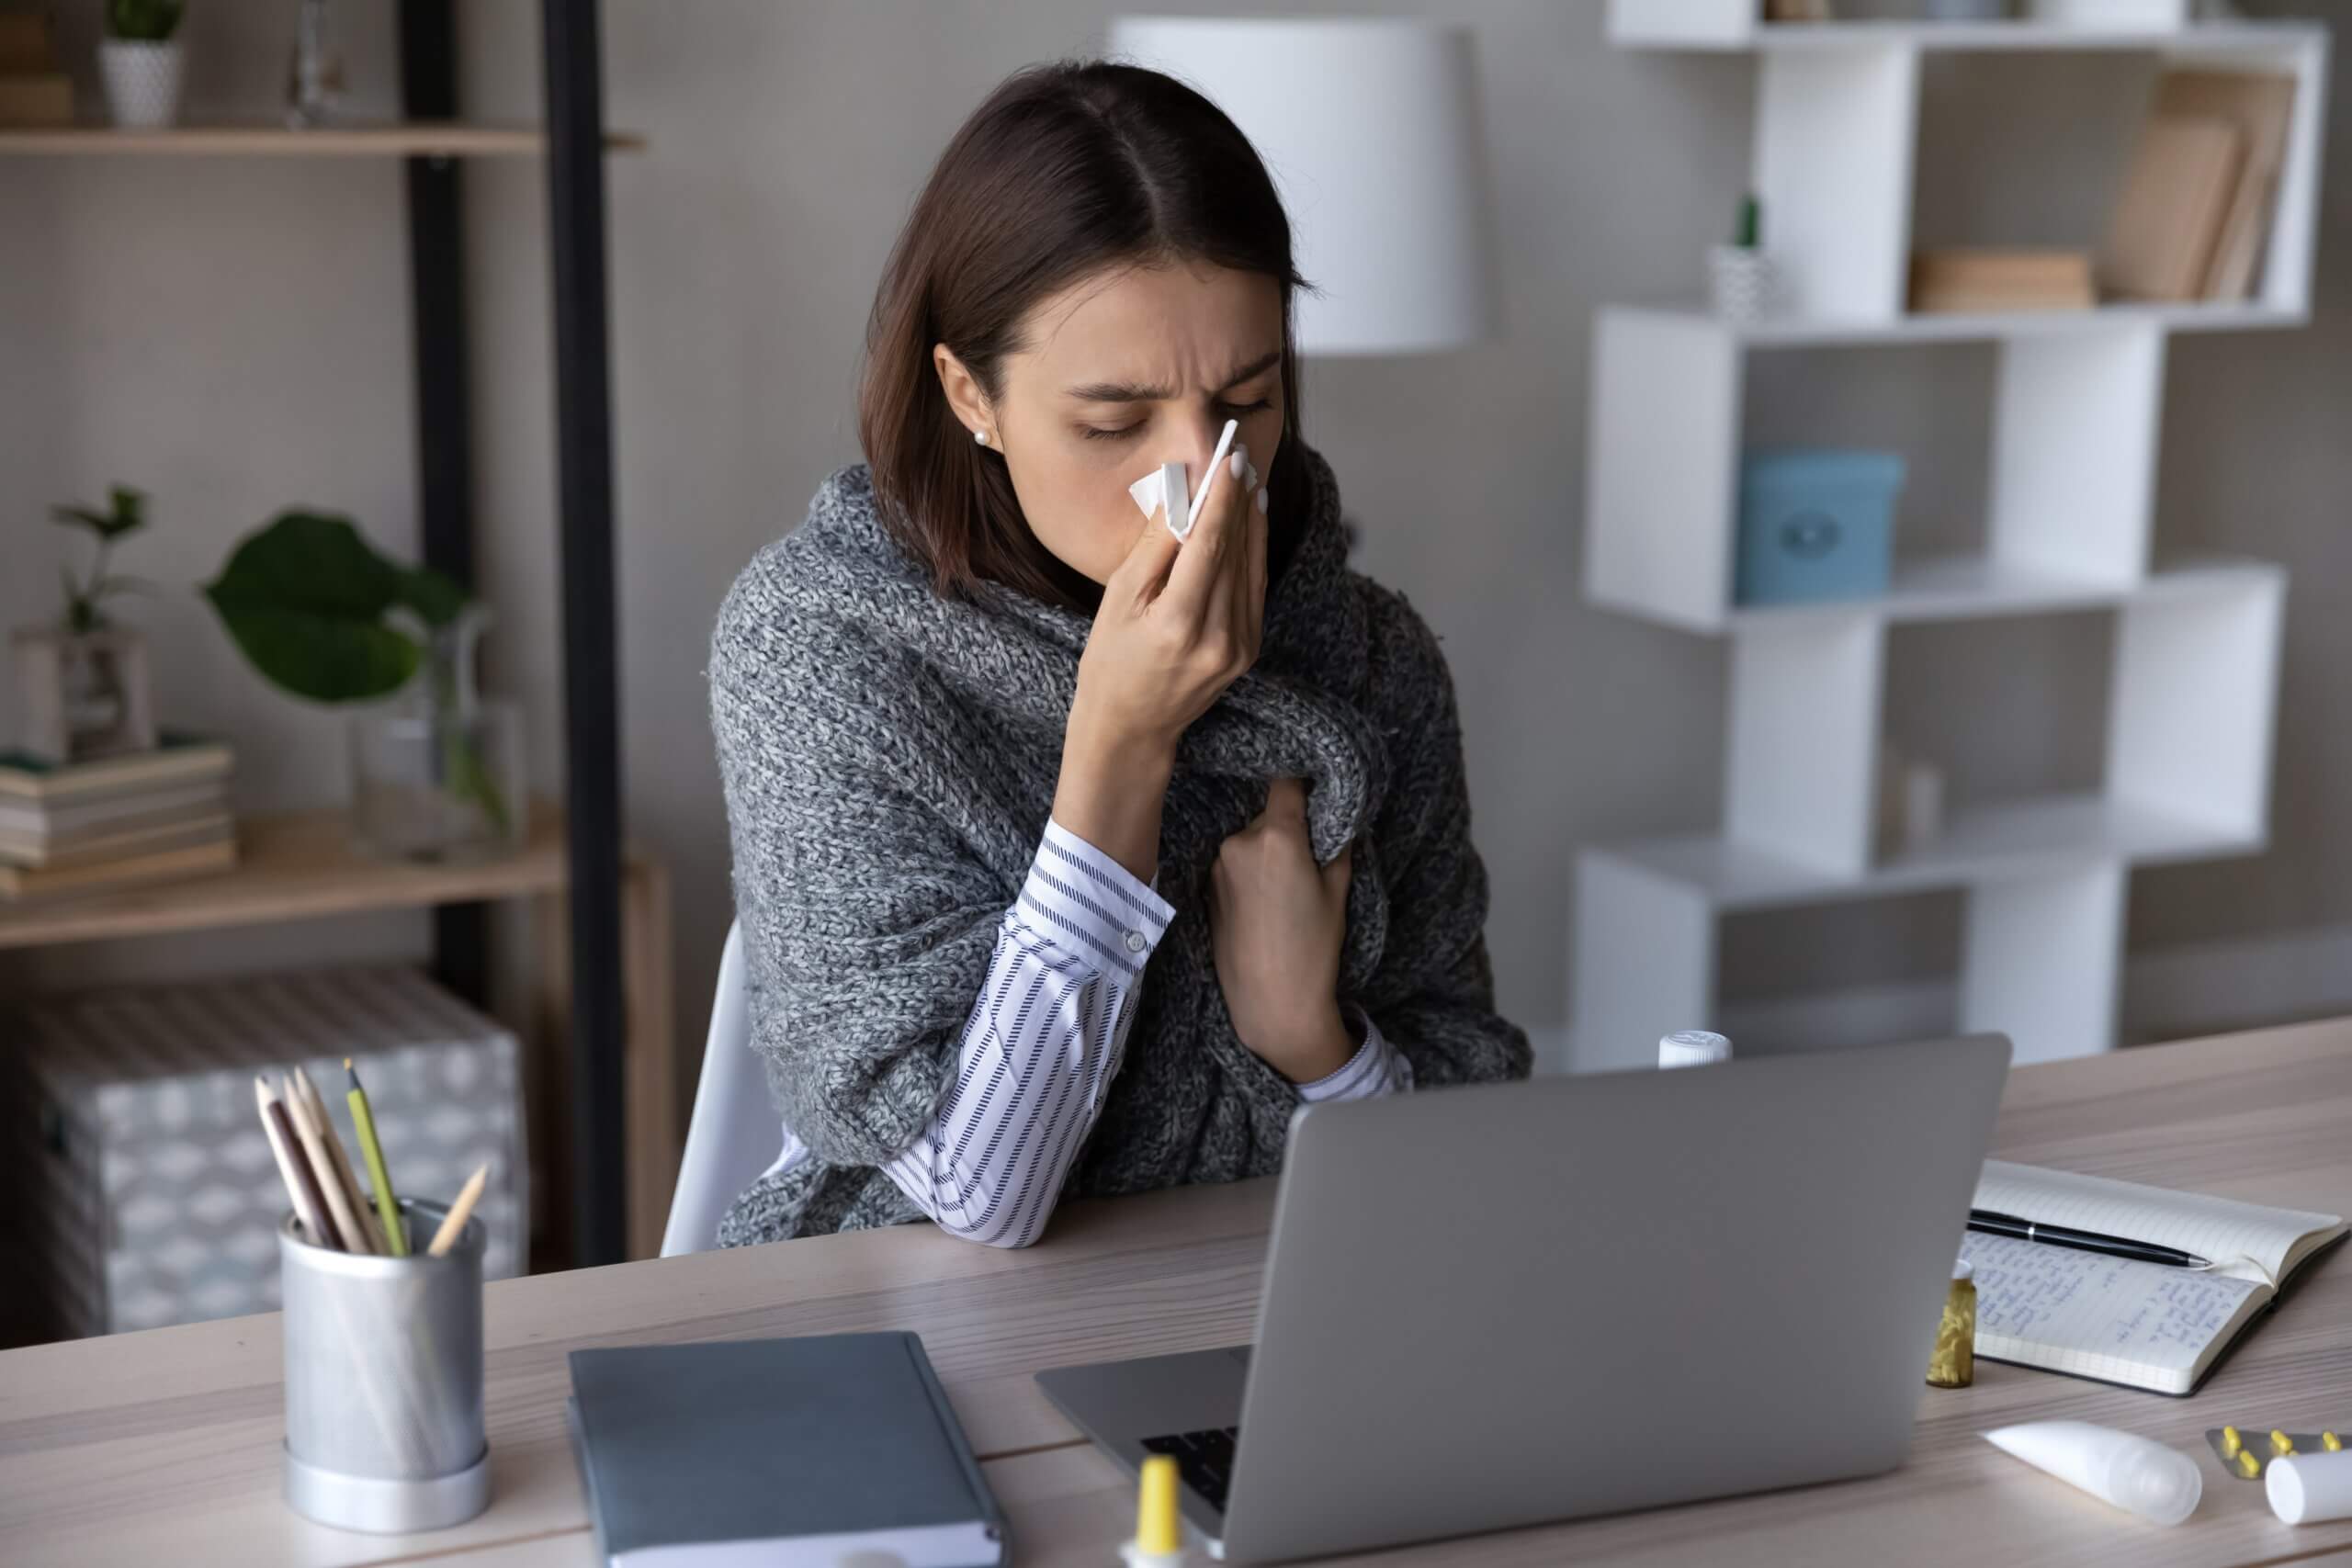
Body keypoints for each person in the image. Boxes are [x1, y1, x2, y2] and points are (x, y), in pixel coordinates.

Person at [709, 58, 1530, 1250]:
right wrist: (1123, 746)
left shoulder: (1369, 658)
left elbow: (1472, 1147)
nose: (1199, 478)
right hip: (919, 1327)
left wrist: (1315, 1043)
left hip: (1280, 1312)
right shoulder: (827, 654)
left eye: (1246, 400)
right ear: (968, 395)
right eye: (1113, 422)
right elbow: (977, 1199)